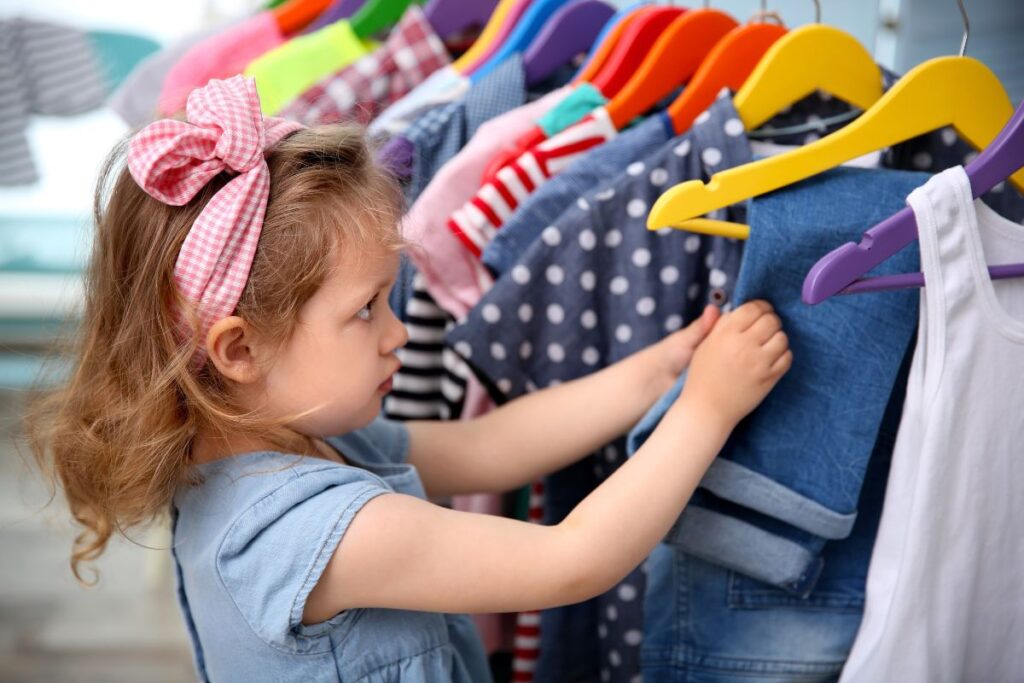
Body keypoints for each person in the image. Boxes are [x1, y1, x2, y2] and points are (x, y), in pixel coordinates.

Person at [26, 76, 791, 682]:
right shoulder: (311, 534)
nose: (400, 333)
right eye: (366, 311)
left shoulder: (295, 438)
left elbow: (492, 444)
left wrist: (659, 368)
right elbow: (573, 560)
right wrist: (706, 409)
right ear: (237, 349)